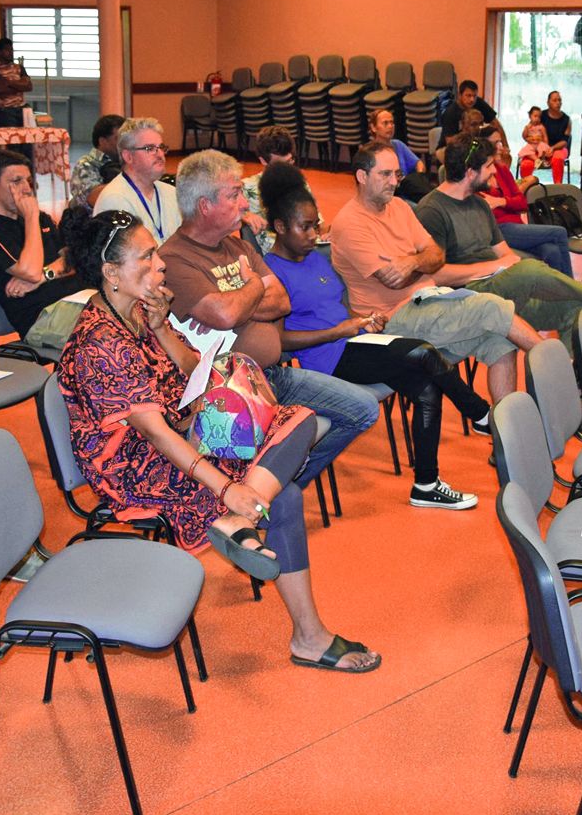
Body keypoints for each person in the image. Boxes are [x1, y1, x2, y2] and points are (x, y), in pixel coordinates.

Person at [56, 208, 380, 673]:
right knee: (284, 489)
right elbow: (154, 433)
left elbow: (192, 375)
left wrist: (164, 326)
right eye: (146, 258)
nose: (160, 265)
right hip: (136, 468)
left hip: (180, 430)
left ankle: (243, 525)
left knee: (300, 421)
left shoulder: (136, 311)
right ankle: (305, 630)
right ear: (111, 273)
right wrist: (226, 488)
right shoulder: (98, 343)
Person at [159, 150, 379, 491]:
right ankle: (262, 492)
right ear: (204, 206)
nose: (244, 205)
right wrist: (250, 288)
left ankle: (276, 489)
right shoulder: (174, 258)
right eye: (233, 196)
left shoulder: (239, 249)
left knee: (364, 409)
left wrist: (233, 303)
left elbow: (280, 301)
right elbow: (225, 313)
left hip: (272, 375)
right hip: (226, 393)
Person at [263, 182, 483, 510]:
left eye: (316, 225)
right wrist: (340, 330)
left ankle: (426, 484)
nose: (314, 235)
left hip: (354, 342)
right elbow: (278, 342)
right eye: (305, 227)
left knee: (426, 389)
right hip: (327, 360)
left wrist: (363, 319)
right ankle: (480, 413)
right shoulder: (271, 271)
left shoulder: (314, 259)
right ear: (280, 228)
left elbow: (336, 309)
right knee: (421, 351)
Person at [329, 143, 541, 406]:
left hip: (430, 300)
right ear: (362, 177)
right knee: (490, 308)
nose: (393, 182)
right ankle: (556, 365)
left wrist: (412, 262)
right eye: (385, 174)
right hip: (392, 319)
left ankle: (504, 435)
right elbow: (393, 280)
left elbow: (436, 255)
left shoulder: (400, 207)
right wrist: (422, 263)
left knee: (500, 341)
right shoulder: (350, 224)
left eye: (396, 174)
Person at [417, 135, 582, 358]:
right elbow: (435, 276)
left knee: (573, 309)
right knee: (530, 269)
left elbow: (505, 254)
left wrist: (507, 266)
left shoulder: (479, 203)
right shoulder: (431, 211)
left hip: (500, 291)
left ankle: (561, 384)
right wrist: (497, 266)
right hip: (466, 299)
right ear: (470, 172)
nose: (494, 171)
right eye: (488, 166)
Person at [0, 149, 85, 336]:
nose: (27, 189)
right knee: (111, 332)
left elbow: (75, 259)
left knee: (135, 315)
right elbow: (30, 272)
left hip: (78, 301)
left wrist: (45, 275)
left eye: (28, 181)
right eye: (16, 181)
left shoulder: (43, 219)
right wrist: (31, 217)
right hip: (42, 319)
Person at [480, 137, 573, 276]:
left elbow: (522, 204)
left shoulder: (501, 169)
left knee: (552, 251)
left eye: (500, 142)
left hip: (518, 227)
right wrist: (510, 202)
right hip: (498, 230)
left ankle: (556, 295)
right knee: (559, 232)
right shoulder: (476, 177)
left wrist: (501, 202)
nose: (501, 146)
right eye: (495, 143)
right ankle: (573, 290)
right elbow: (487, 214)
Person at [94, 117, 182, 243]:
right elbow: (123, 258)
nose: (160, 154)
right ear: (128, 156)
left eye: (161, 147)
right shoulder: (115, 199)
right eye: (150, 148)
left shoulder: (171, 193)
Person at [242, 125, 295, 253]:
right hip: (279, 256)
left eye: (289, 162)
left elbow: (317, 225)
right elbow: (217, 212)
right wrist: (243, 214)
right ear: (263, 161)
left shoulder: (299, 183)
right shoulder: (246, 187)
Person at [369, 108, 432, 202]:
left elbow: (419, 163)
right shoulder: (372, 152)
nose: (390, 126)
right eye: (385, 123)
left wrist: (419, 176)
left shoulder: (397, 144)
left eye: (392, 122)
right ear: (374, 128)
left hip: (412, 188)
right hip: (395, 195)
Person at [67, 113, 125, 207]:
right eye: (118, 139)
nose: (124, 143)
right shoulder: (86, 164)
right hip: (93, 219)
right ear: (103, 141)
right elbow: (93, 198)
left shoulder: (126, 161)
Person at [0, 37, 33, 129]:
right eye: (7, 50)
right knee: (13, 140)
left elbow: (28, 86)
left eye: (12, 49)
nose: (11, 52)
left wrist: (8, 82)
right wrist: (19, 85)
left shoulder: (19, 68)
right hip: (4, 110)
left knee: (30, 138)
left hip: (22, 108)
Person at [440, 79, 502, 148]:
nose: (472, 99)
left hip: (473, 143)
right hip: (448, 148)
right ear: (460, 95)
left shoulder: (479, 103)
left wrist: (505, 146)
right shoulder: (450, 113)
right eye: (468, 96)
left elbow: (496, 124)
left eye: (474, 96)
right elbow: (449, 142)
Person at [536, 90, 571, 181]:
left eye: (559, 100)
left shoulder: (567, 120)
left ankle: (557, 188)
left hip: (559, 148)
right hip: (540, 147)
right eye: (554, 100)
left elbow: (565, 141)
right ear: (548, 103)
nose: (558, 103)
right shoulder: (541, 116)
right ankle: (524, 188)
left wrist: (552, 148)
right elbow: (533, 132)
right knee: (526, 163)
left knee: (558, 159)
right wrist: (543, 148)